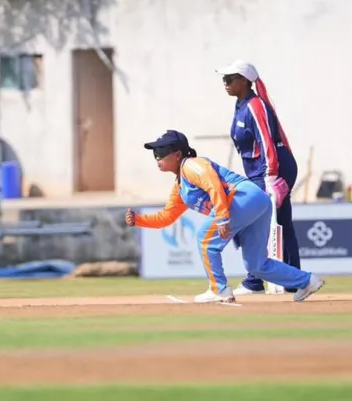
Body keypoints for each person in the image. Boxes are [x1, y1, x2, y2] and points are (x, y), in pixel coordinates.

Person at [124, 129, 325, 303]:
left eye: (161, 152)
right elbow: (166, 217)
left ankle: (218, 289)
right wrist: (139, 220)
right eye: (155, 154)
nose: (157, 158)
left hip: (244, 196)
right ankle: (307, 281)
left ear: (177, 154)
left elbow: (214, 185)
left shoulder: (191, 165)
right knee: (256, 265)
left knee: (205, 239)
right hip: (256, 201)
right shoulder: (180, 187)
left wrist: (221, 218)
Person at [214, 60, 301, 296]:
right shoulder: (240, 105)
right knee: (279, 221)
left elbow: (267, 141)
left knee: (254, 219)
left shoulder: (255, 105)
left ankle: (257, 281)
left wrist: (271, 175)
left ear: (244, 81)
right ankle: (293, 280)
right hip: (258, 171)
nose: (225, 83)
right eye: (224, 79)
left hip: (273, 168)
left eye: (229, 79)